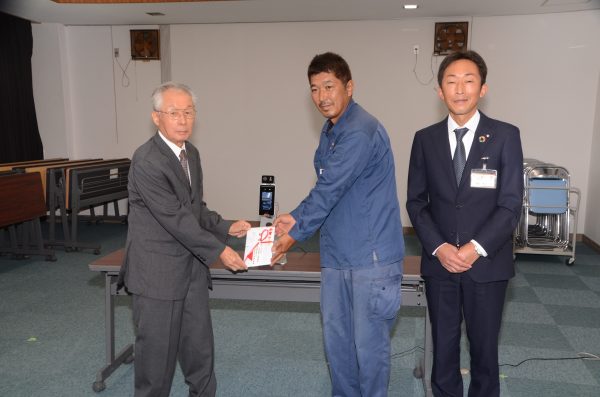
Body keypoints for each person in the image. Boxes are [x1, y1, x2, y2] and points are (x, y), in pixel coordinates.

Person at [272, 52, 404, 397]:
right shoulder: (333, 130)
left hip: (370, 261)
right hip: (337, 256)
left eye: (329, 86)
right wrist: (295, 216)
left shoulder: (360, 130)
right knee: (338, 346)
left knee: (369, 350)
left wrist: (293, 232)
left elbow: (330, 188)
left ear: (349, 86)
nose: (322, 96)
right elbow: (329, 186)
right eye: (314, 89)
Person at [118, 81, 250, 397]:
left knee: (200, 353)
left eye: (188, 112)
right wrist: (220, 251)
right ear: (156, 117)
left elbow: (193, 208)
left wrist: (226, 226)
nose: (183, 120)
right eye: (174, 112)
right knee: (156, 367)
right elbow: (174, 219)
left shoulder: (190, 152)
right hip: (157, 276)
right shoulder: (147, 160)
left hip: (190, 270)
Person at [406, 50, 523, 397]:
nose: (460, 89)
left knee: (485, 351)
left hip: (487, 265)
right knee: (443, 349)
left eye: (468, 80)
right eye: (451, 81)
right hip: (440, 265)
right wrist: (441, 248)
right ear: (440, 91)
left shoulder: (505, 136)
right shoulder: (424, 139)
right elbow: (416, 202)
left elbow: (510, 204)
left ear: (483, 88)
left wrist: (474, 248)